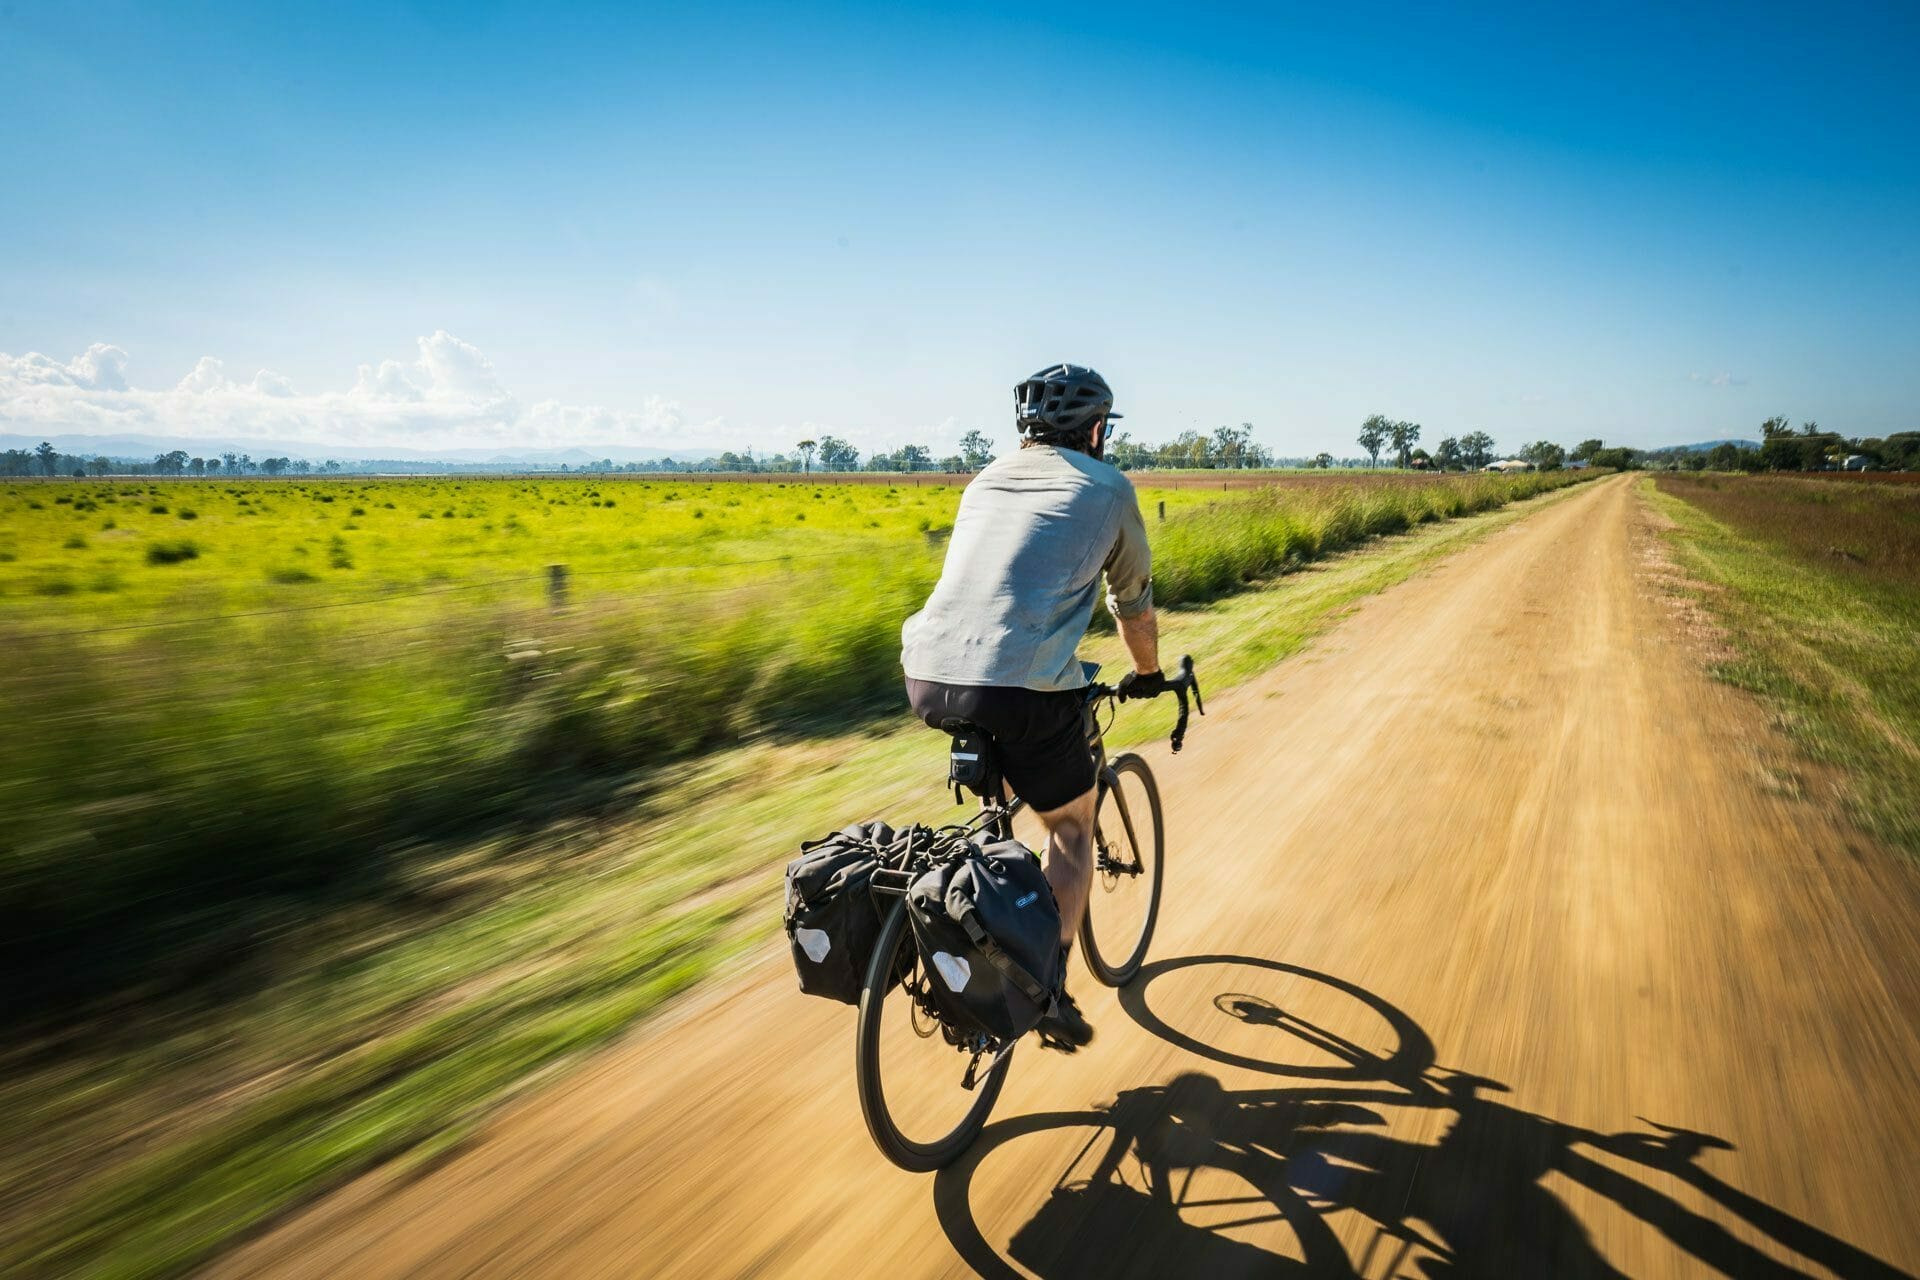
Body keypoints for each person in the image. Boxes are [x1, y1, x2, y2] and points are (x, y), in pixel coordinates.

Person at [900, 362, 1168, 1051]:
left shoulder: (984, 480)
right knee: (1072, 832)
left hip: (927, 674)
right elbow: (1131, 602)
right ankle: (1047, 992)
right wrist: (1148, 672)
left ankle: (987, 921)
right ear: (1099, 429)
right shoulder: (1109, 488)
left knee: (1012, 796)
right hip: (1018, 683)